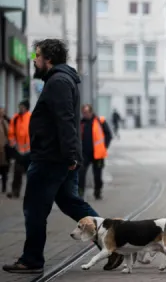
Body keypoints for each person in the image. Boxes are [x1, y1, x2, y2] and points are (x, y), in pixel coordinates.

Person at [2, 39, 123, 274]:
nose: (34, 60)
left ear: (48, 58)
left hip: (51, 159)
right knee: (71, 203)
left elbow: (65, 120)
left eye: (37, 56)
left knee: (35, 209)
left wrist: (69, 156)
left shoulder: (57, 81)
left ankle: (32, 259)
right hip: (60, 157)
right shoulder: (61, 80)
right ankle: (113, 246)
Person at [79, 104, 113, 200]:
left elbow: (109, 135)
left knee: (97, 175)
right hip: (85, 154)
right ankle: (80, 192)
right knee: (81, 173)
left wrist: (104, 147)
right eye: (83, 113)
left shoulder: (100, 121)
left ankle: (97, 192)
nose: (85, 114)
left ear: (91, 112)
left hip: (98, 154)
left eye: (86, 112)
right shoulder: (81, 123)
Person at [6, 100, 31, 199]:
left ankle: (31, 193)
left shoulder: (31, 117)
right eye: (20, 106)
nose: (21, 108)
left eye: (22, 106)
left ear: (26, 107)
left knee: (31, 174)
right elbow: (11, 133)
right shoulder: (15, 118)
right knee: (17, 172)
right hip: (18, 150)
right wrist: (13, 144)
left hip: (29, 151)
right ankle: (15, 191)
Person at [0, 108, 9, 194]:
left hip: (3, 151)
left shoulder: (5, 122)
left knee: (3, 170)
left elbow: (9, 133)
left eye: (3, 112)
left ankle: (4, 187)